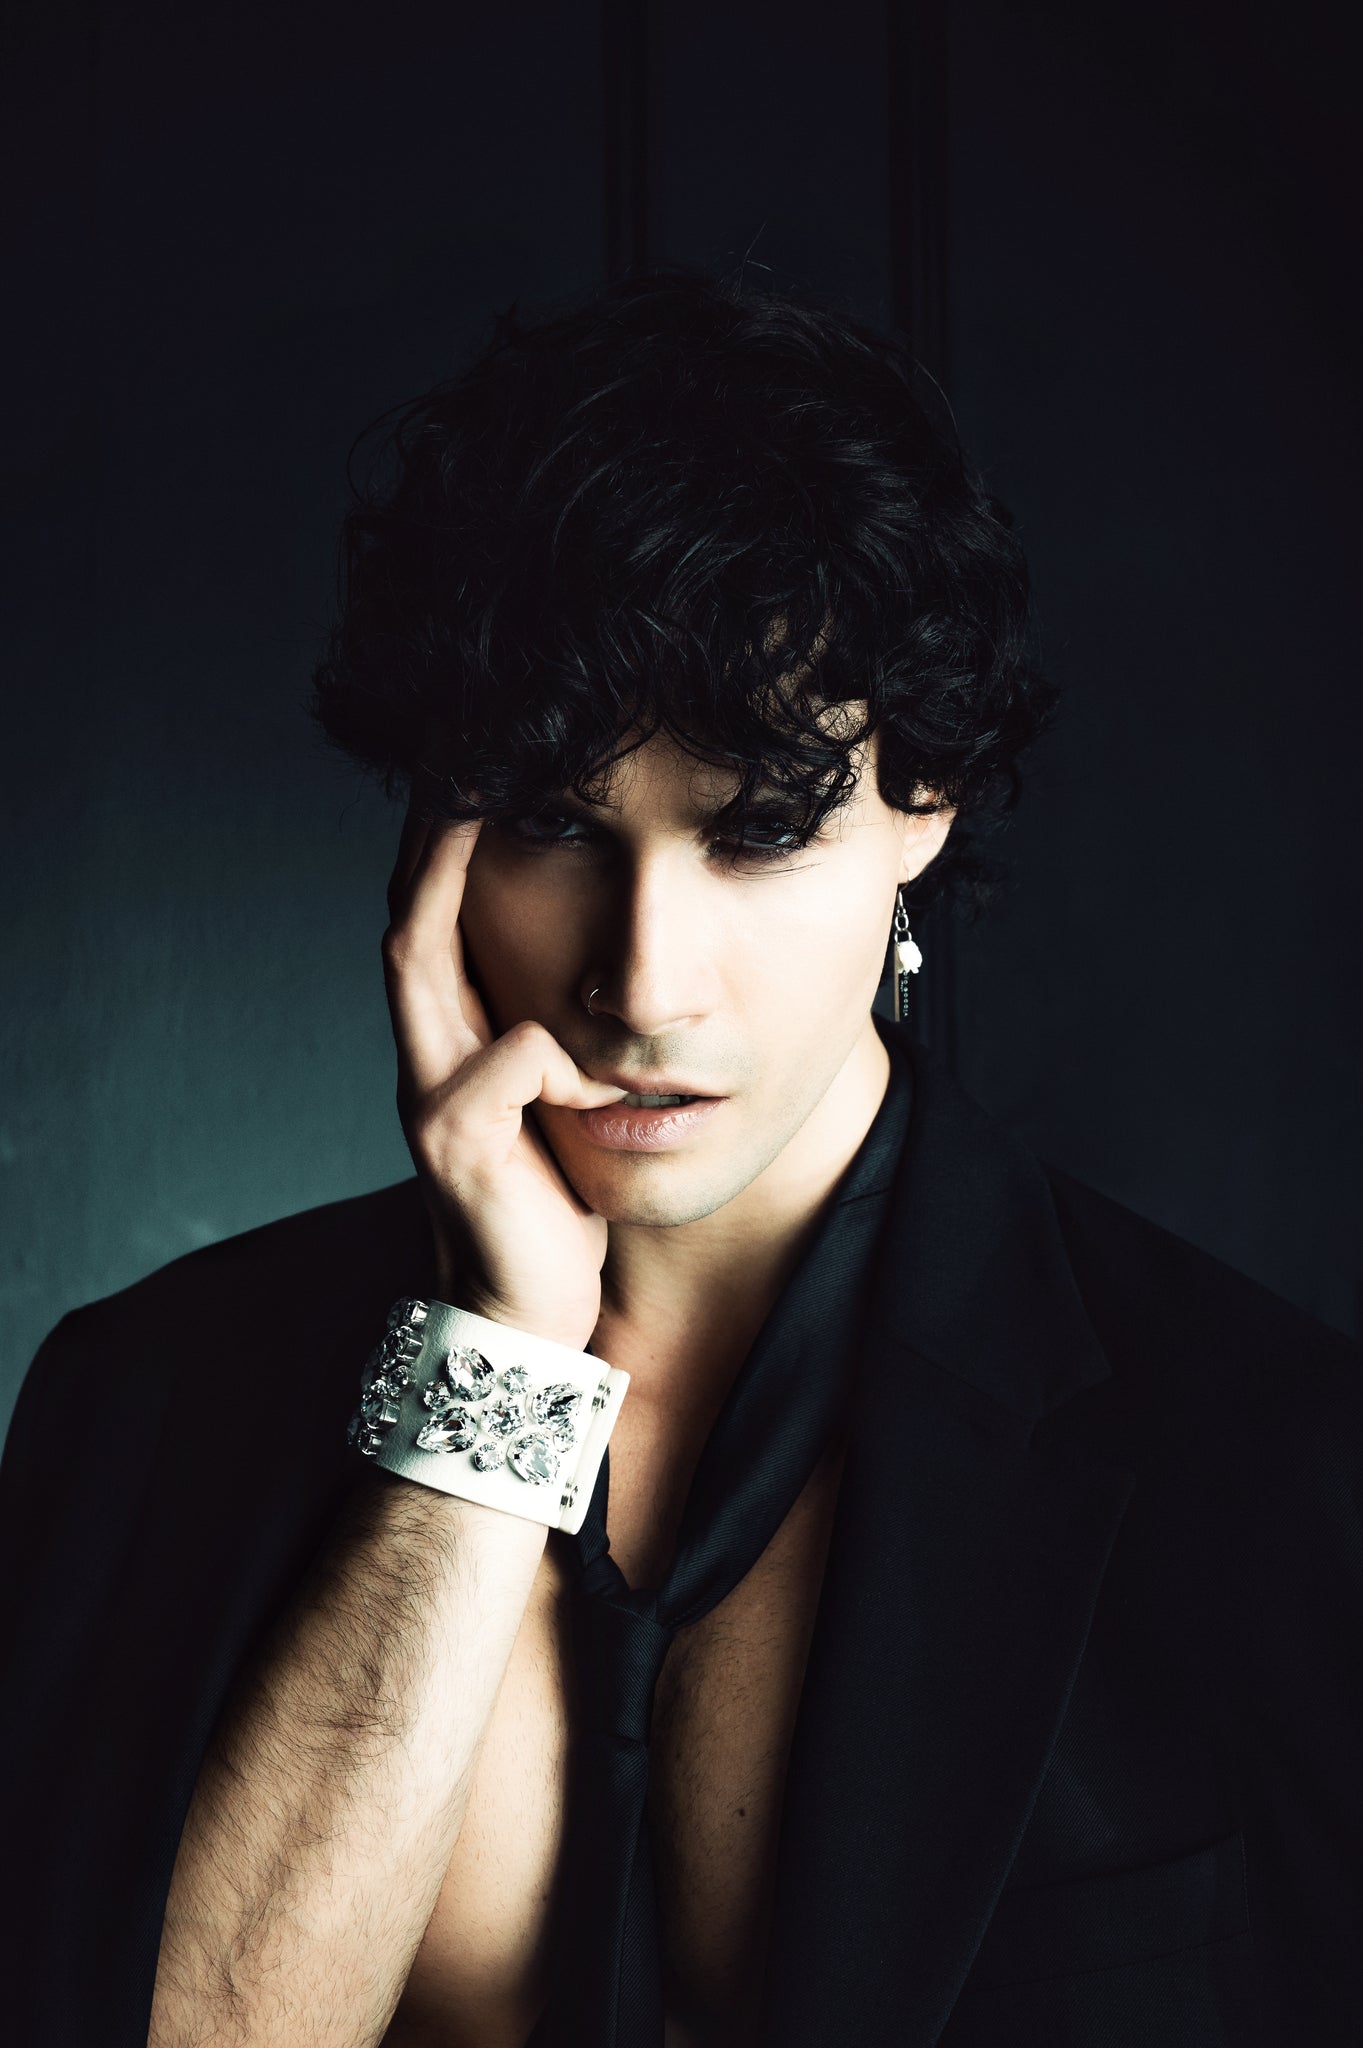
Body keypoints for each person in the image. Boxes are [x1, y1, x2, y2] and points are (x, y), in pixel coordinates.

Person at [0, 266, 1358, 2048]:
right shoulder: (142, 1407)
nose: (642, 985)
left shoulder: (1276, 1466)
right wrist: (494, 1378)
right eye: (553, 823)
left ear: (925, 804)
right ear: (429, 842)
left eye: (760, 832)